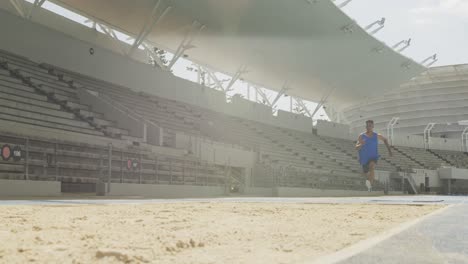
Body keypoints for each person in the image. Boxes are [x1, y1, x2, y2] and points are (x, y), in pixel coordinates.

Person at [355, 120, 392, 192]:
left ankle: (370, 186)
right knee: (366, 173)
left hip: (373, 156)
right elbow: (356, 147)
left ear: (373, 126)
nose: (368, 127)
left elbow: (385, 140)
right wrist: (361, 144)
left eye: (370, 126)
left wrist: (389, 151)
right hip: (364, 158)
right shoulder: (361, 136)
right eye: (367, 126)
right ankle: (369, 182)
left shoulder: (377, 135)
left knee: (372, 167)